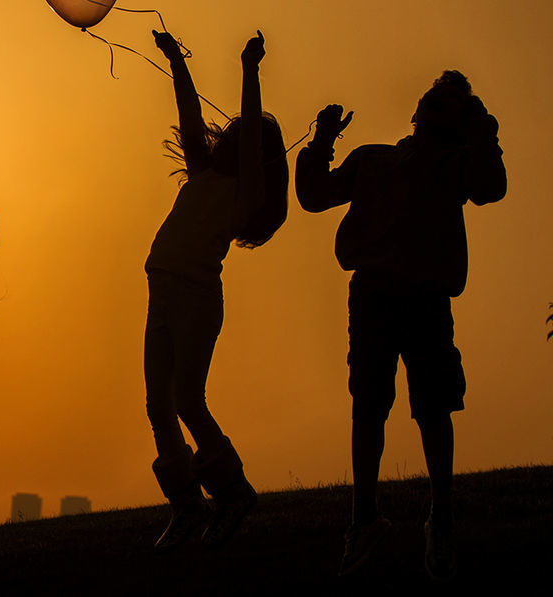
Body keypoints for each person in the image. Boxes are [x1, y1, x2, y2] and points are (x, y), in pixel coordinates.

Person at [295, 71, 505, 580]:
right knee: (368, 406)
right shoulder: (373, 158)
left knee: (433, 409)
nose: (439, 99)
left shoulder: (457, 163)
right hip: (371, 295)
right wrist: (322, 139)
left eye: (453, 100)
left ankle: (442, 519)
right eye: (435, 94)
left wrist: (483, 128)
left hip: (427, 299)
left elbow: (491, 187)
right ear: (416, 111)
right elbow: (314, 194)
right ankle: (363, 519)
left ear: (459, 122)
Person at [144, 30, 289, 552]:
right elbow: (187, 112)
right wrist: (176, 60)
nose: (225, 137)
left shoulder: (245, 192)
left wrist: (250, 70)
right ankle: (187, 508)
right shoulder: (205, 173)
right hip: (161, 293)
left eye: (237, 138)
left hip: (196, 300)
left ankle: (233, 494)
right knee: (159, 404)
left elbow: (251, 134)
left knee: (186, 398)